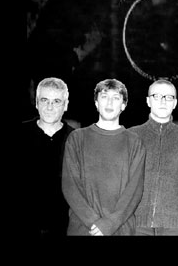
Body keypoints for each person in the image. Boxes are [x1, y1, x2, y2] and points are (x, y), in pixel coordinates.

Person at [62, 78, 146, 236]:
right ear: (96, 102)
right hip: (83, 228)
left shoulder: (135, 142)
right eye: (104, 96)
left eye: (116, 98)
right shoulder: (77, 138)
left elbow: (134, 191)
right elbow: (70, 186)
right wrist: (94, 223)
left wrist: (110, 224)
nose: (109, 103)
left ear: (123, 105)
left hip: (121, 229)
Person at [127, 79, 178, 236]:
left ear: (175, 103)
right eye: (157, 96)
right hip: (136, 224)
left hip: (174, 225)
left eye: (168, 97)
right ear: (148, 101)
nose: (163, 101)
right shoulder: (131, 135)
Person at [24, 77, 74, 237]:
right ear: (36, 103)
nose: (49, 107)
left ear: (66, 105)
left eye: (56, 101)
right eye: (44, 100)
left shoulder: (77, 140)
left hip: (65, 228)